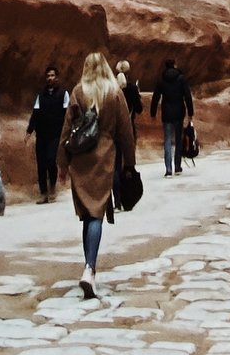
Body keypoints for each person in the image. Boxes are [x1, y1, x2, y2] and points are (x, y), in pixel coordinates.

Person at [61, 49, 137, 298]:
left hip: (80, 159)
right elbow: (126, 132)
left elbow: (66, 128)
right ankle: (89, 268)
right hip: (104, 157)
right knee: (96, 215)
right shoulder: (114, 92)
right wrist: (129, 165)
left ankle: (88, 268)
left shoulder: (78, 91)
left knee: (87, 213)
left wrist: (61, 163)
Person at [27, 67, 68, 203]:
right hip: (42, 134)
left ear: (57, 77)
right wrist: (29, 131)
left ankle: (52, 187)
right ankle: (43, 193)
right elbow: (35, 113)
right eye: (48, 76)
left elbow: (67, 114)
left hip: (55, 134)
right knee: (41, 163)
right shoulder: (41, 95)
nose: (50, 78)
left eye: (52, 75)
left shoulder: (63, 94)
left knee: (51, 160)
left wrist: (66, 132)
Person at [154, 58, 194, 175]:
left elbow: (156, 96)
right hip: (179, 112)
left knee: (167, 140)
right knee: (178, 140)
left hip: (166, 113)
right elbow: (187, 95)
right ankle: (177, 166)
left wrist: (152, 112)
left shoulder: (161, 80)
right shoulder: (181, 79)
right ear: (175, 65)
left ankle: (168, 169)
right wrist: (190, 112)